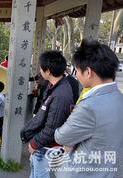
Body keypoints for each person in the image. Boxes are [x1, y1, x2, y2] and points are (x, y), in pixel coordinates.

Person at [54, 40, 123, 178]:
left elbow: (61, 136)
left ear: (88, 72)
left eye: (77, 70)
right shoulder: (119, 97)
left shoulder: (89, 106)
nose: (77, 75)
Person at [27, 51, 74, 178]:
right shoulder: (56, 86)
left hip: (46, 147)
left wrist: (34, 143)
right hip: (45, 144)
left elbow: (52, 128)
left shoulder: (60, 95)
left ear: (47, 71)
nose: (40, 71)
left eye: (41, 68)